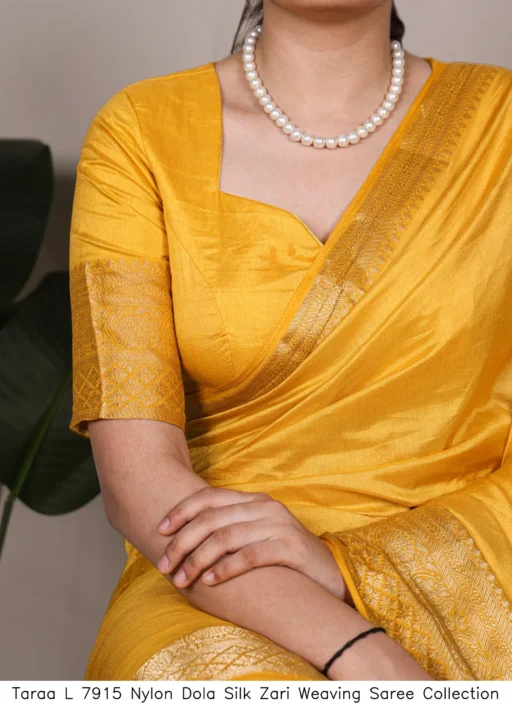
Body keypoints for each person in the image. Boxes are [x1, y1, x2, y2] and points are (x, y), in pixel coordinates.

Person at [68, 0, 512, 681]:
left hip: (475, 569)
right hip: (226, 585)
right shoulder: (140, 134)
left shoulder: (499, 128)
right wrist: (360, 652)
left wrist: (347, 564)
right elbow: (139, 482)